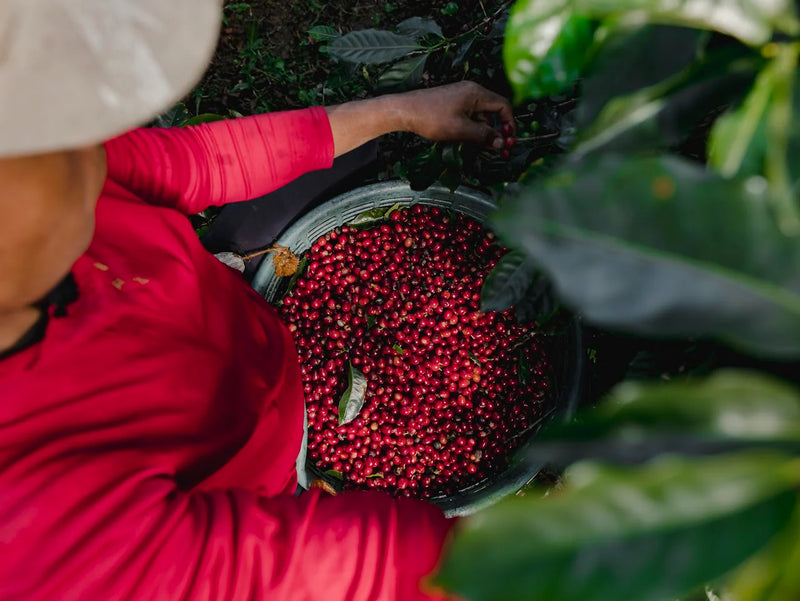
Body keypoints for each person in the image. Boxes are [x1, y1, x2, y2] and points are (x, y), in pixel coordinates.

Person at [0, 1, 513, 599]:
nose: (99, 139)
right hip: (252, 480)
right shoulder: (42, 528)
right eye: (73, 139)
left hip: (253, 351)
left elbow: (197, 163)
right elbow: (337, 569)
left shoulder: (59, 180)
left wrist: (398, 111)